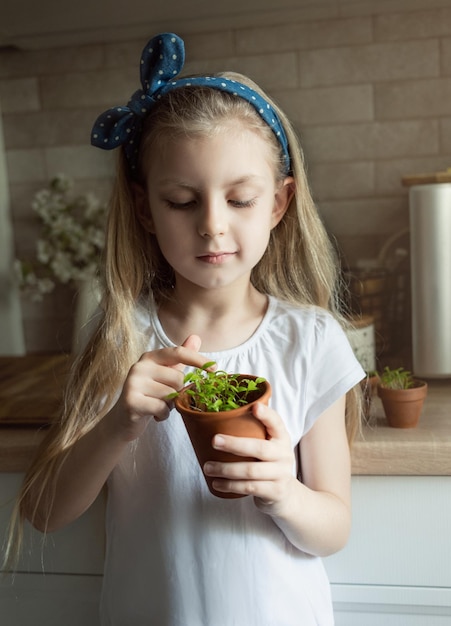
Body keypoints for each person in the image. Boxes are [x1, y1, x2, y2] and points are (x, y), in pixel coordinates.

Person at [6, 33, 364, 625]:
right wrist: (118, 424)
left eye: (241, 199)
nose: (212, 226)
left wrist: (284, 492)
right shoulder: (120, 337)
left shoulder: (312, 340)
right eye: (181, 201)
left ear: (278, 204)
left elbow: (333, 529)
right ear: (146, 209)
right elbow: (43, 513)